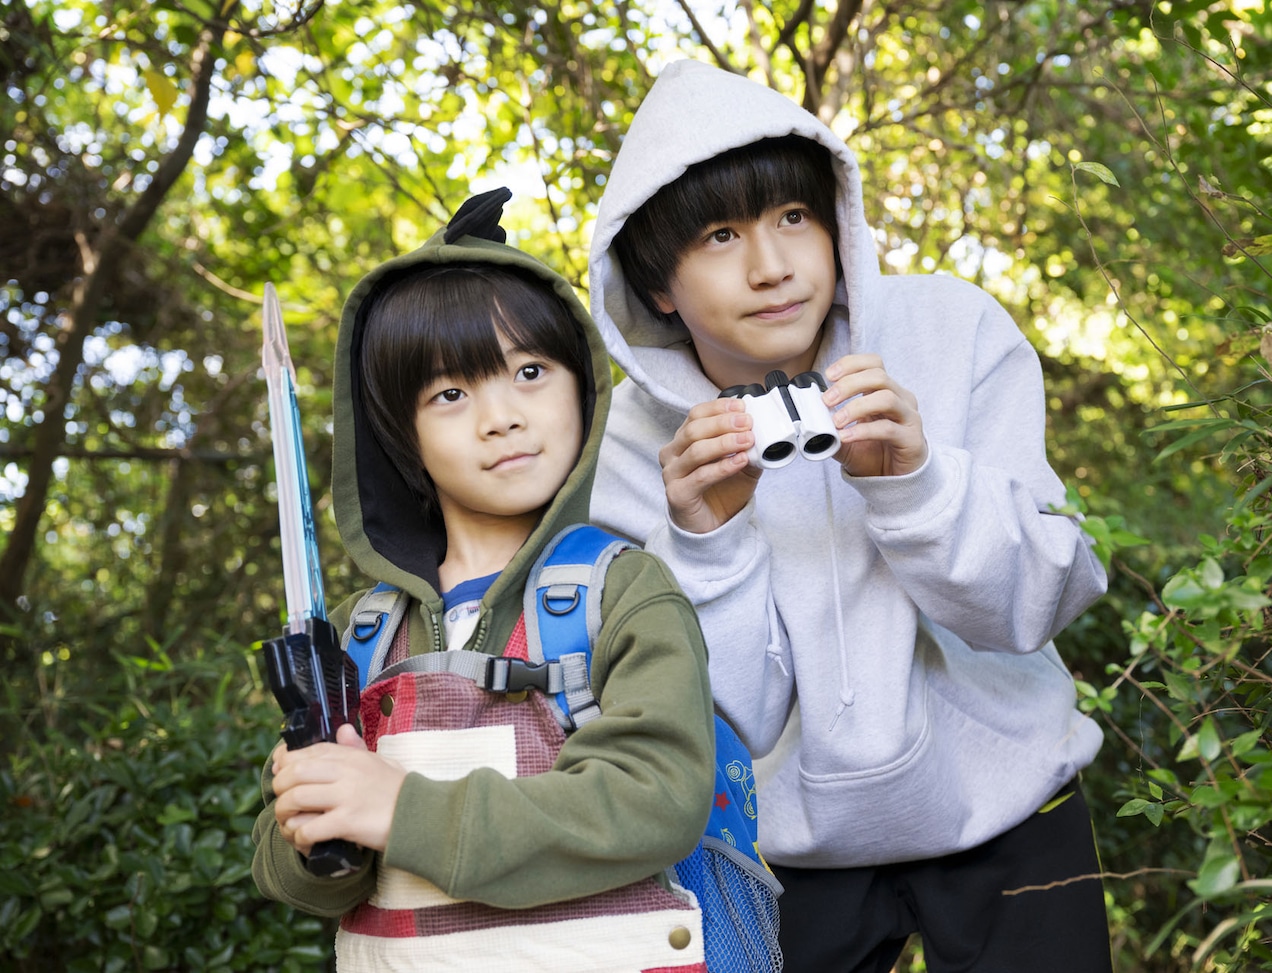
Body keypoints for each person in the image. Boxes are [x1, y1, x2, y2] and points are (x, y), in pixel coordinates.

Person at [587, 59, 1113, 971]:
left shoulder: (954, 330)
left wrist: (916, 483)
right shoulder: (640, 438)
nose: (772, 265)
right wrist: (705, 544)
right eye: (719, 235)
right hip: (782, 849)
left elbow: (1042, 603)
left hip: (1012, 805)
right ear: (658, 285)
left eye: (794, 216)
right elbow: (727, 725)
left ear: (836, 221)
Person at [251, 190, 717, 971]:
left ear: (582, 387)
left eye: (530, 370)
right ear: (404, 440)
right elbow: (296, 875)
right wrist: (310, 817)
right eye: (450, 394)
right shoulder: (365, 633)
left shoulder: (623, 591)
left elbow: (658, 799)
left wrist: (404, 809)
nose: (500, 416)